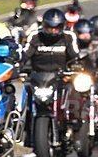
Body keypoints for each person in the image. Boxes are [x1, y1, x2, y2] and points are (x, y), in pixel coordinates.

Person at [21, 9, 80, 141]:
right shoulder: (35, 37)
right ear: (44, 26)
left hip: (61, 78)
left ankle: (74, 128)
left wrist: (76, 66)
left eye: (57, 28)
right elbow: (24, 55)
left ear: (62, 26)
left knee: (75, 94)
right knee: (22, 99)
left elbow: (76, 56)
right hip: (38, 78)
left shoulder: (69, 37)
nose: (53, 31)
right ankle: (25, 129)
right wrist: (18, 66)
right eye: (49, 28)